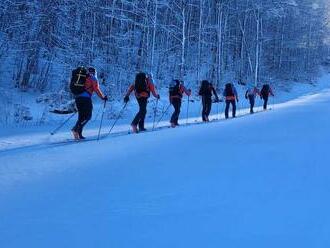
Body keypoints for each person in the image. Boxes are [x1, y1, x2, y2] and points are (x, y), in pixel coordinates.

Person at [71, 67, 108, 140]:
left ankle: (79, 134)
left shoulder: (84, 77)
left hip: (78, 98)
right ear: (94, 72)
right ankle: (75, 129)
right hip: (86, 98)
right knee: (88, 116)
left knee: (81, 116)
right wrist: (103, 97)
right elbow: (96, 89)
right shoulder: (93, 78)